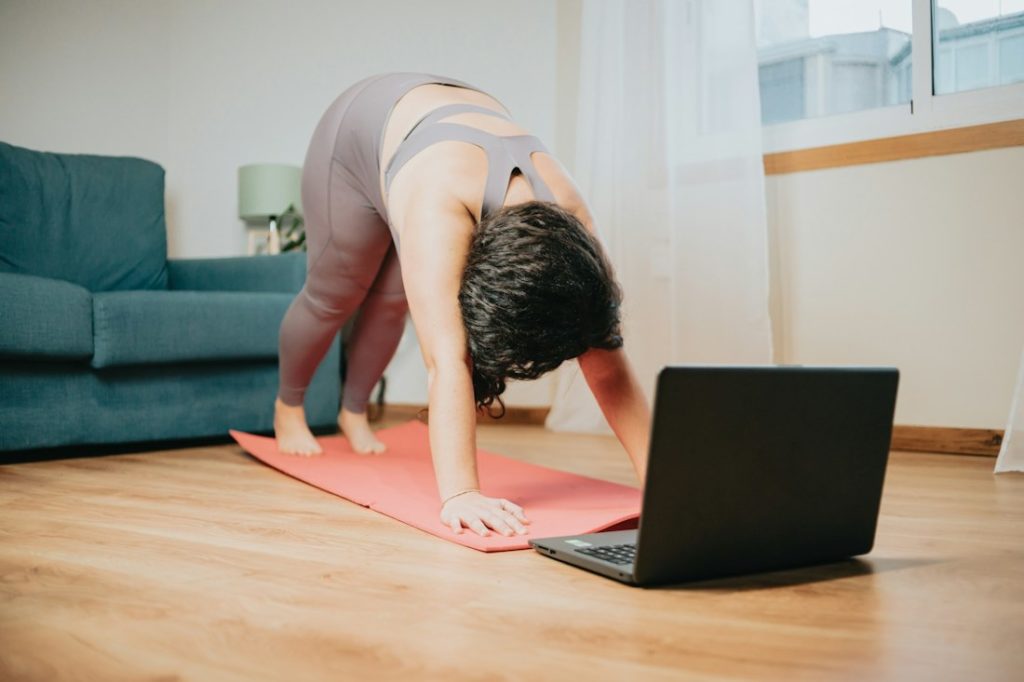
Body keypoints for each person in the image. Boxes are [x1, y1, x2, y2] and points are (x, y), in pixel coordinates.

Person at [274, 72, 650, 539]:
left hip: (437, 126)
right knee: (335, 293)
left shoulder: (572, 222)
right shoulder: (440, 205)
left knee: (392, 302)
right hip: (353, 137)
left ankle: (353, 412)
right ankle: (288, 408)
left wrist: (661, 481)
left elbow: (608, 362)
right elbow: (448, 359)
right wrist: (461, 493)